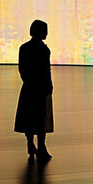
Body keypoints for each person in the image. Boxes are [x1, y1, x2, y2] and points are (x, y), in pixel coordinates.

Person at [14, 19, 54, 161]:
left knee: (29, 117)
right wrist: (48, 86)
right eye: (45, 31)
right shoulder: (44, 49)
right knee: (40, 118)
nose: (47, 34)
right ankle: (41, 146)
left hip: (30, 88)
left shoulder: (24, 48)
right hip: (40, 88)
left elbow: (22, 69)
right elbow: (46, 70)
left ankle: (31, 144)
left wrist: (28, 82)